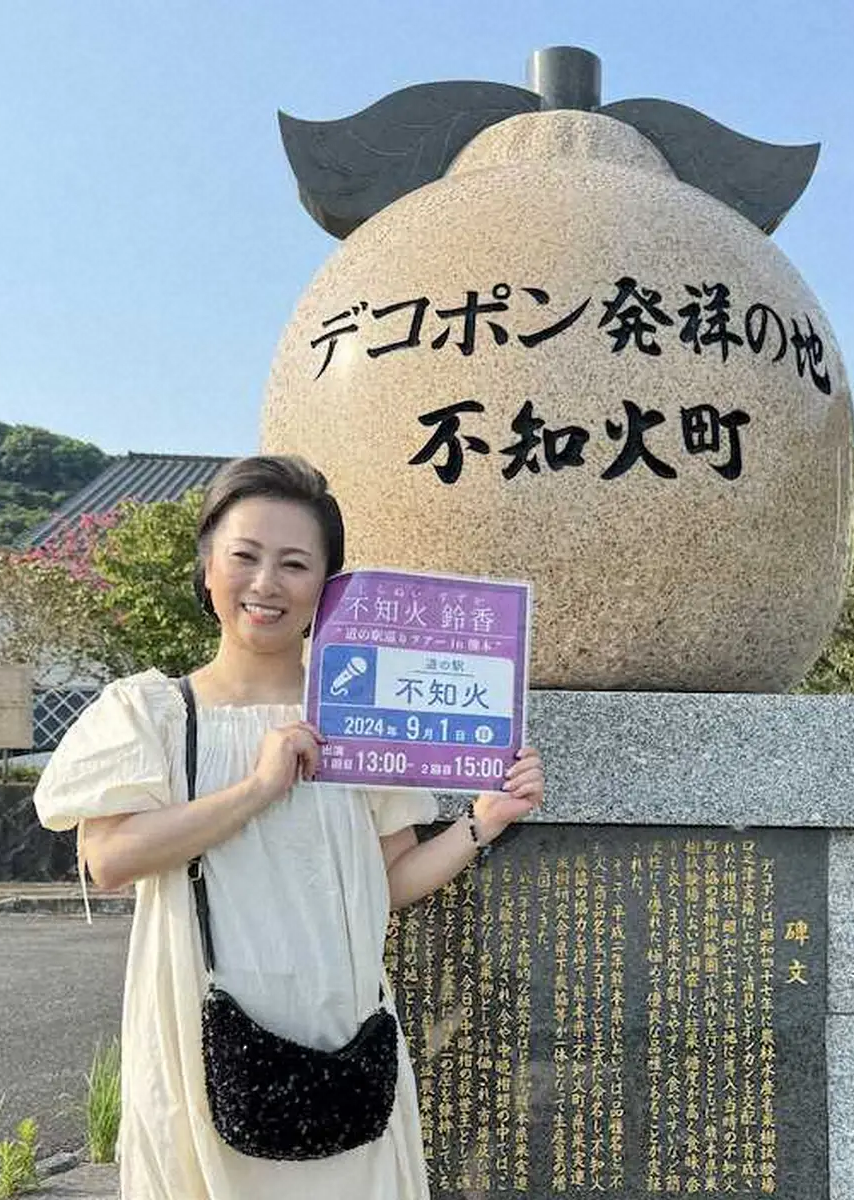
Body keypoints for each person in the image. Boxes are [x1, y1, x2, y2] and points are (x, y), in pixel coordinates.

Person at [33, 455, 544, 1200]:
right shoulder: (151, 713)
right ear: (208, 566)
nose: (266, 583)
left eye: (295, 564)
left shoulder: (361, 718)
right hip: (200, 1027)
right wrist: (258, 788)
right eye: (245, 556)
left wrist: (481, 822)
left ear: (327, 586)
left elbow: (390, 881)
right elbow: (109, 859)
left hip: (342, 1025)